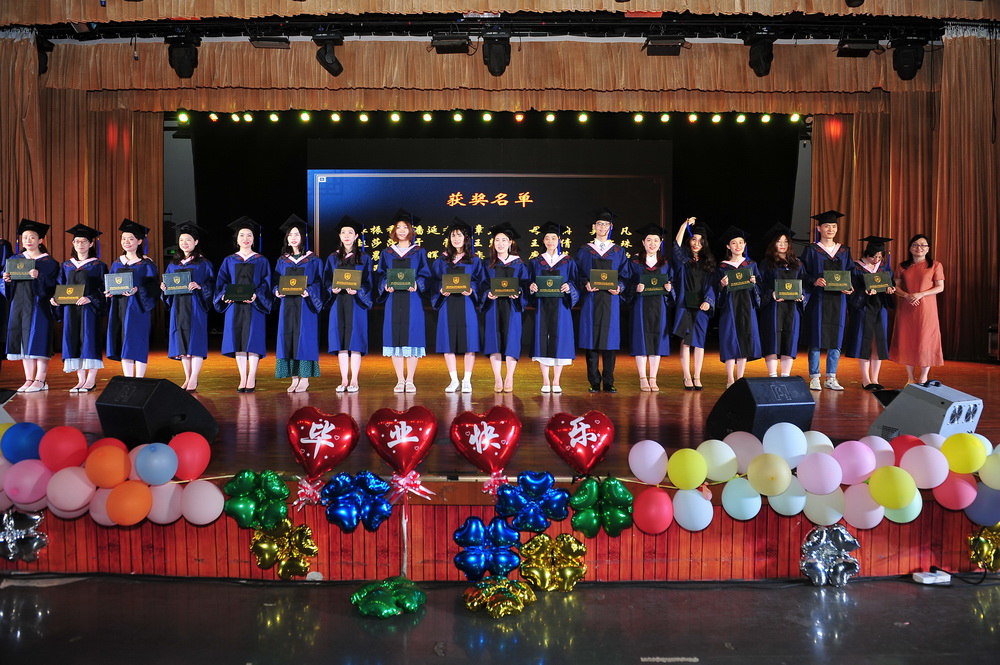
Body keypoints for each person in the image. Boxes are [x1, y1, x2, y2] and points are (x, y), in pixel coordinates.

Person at [214, 216, 273, 393]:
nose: (245, 238)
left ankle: (252, 376)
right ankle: (242, 377)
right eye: (242, 235)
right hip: (234, 307)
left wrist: (256, 296)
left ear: (254, 239)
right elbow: (222, 282)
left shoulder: (261, 260)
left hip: (254, 306)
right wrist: (225, 296)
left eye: (249, 235)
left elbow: (266, 283)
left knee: (253, 341)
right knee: (238, 341)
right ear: (236, 239)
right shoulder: (229, 260)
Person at [375, 209, 431, 393]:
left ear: (411, 230)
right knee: (395, 338)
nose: (401, 230)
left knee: (412, 337)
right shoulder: (387, 252)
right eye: (398, 227)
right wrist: (385, 284)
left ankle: (410, 380)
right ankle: (400, 380)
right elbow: (381, 274)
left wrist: (417, 283)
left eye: (405, 227)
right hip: (393, 300)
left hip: (412, 300)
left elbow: (425, 274)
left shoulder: (419, 252)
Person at [576, 208, 629, 392]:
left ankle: (608, 381)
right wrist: (585, 283)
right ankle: (593, 381)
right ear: (594, 227)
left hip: (610, 300)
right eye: (599, 224)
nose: (602, 227)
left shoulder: (618, 251)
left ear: (610, 227)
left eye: (605, 224)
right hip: (591, 299)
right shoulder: (585, 251)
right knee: (591, 340)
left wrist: (619, 287)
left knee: (610, 341)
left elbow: (625, 275)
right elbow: (578, 273)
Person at [3, 219, 59, 392]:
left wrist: (39, 276)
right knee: (23, 341)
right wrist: (7, 280)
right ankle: (28, 379)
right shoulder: (15, 259)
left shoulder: (49, 262)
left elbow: (54, 286)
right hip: (19, 305)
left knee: (39, 339)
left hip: (39, 306)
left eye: (32, 237)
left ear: (40, 240)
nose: (28, 240)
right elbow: (6, 286)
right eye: (25, 237)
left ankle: (40, 380)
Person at [801, 210, 854, 391]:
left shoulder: (844, 251)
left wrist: (850, 287)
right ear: (819, 228)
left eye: (833, 226)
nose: (830, 229)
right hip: (819, 298)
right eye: (826, 226)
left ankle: (831, 377)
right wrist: (814, 280)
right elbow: (803, 273)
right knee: (816, 336)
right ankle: (815, 376)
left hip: (839, 299)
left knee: (836, 337)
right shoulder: (812, 250)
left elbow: (851, 273)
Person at [431, 217, 486, 393]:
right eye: (453, 236)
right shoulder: (441, 260)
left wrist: (472, 290)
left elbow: (481, 281)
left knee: (469, 341)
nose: (456, 239)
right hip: (447, 304)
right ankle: (454, 380)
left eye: (459, 235)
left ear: (466, 238)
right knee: (448, 342)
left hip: (466, 303)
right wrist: (440, 290)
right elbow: (434, 281)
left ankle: (467, 380)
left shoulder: (474, 260)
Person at [161, 220, 215, 392]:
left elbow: (212, 284)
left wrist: (200, 287)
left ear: (196, 242)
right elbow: (168, 287)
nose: (184, 243)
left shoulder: (204, 263)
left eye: (188, 240)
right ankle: (187, 377)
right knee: (182, 343)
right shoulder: (173, 265)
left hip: (195, 306)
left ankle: (194, 378)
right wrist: (164, 288)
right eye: (182, 240)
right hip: (178, 307)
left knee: (195, 341)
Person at [52, 224, 107, 392]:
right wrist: (56, 299)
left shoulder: (98, 265)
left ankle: (91, 381)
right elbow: (60, 286)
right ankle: (80, 380)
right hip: (71, 310)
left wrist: (90, 298)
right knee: (73, 340)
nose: (80, 244)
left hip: (89, 310)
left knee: (89, 340)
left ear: (91, 244)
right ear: (73, 244)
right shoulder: (67, 266)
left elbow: (105, 288)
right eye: (77, 241)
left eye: (84, 241)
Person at [273, 215, 325, 393]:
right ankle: (294, 378)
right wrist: (276, 291)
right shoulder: (282, 260)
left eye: (297, 234)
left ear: (303, 237)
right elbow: (275, 281)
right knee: (288, 338)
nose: (293, 238)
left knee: (304, 339)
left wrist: (309, 291)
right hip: (287, 305)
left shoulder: (313, 260)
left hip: (305, 306)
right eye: (290, 234)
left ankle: (305, 378)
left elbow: (320, 282)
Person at [529, 221, 580, 393]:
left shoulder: (567, 261)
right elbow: (529, 281)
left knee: (560, 341)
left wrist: (569, 287)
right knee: (542, 340)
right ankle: (545, 380)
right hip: (542, 306)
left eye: (553, 238)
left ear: (559, 240)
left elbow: (575, 282)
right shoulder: (536, 261)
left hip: (561, 306)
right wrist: (531, 287)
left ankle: (556, 381)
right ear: (543, 241)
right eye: (547, 238)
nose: (550, 241)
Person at [325, 215, 372, 393]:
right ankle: (344, 379)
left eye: (350, 232)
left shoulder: (364, 258)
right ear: (339, 236)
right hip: (338, 303)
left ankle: (354, 379)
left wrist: (358, 291)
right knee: (341, 341)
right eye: (343, 232)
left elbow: (369, 282)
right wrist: (332, 289)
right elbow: (326, 280)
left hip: (356, 304)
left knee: (355, 341)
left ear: (356, 236)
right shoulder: (332, 258)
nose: (346, 235)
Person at [106, 218, 158, 378]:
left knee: (137, 340)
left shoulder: (146, 264)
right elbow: (111, 283)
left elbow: (153, 287)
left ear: (139, 241)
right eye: (123, 239)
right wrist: (109, 292)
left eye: (131, 239)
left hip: (138, 308)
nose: (126, 242)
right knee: (123, 340)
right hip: (119, 307)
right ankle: (128, 378)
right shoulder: (117, 263)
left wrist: (138, 290)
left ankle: (140, 378)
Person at [890, 234, 944, 384]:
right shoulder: (902, 266)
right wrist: (906, 295)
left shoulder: (935, 265)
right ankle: (910, 377)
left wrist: (921, 294)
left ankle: (923, 376)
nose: (919, 248)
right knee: (908, 340)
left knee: (926, 340)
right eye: (915, 245)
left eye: (923, 245)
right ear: (910, 248)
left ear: (928, 248)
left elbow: (940, 287)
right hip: (907, 308)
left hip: (927, 309)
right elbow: (895, 286)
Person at [843, 236, 896, 390]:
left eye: (879, 257)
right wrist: (864, 291)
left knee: (878, 342)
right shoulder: (856, 267)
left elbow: (891, 283)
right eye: (874, 256)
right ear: (867, 253)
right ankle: (866, 379)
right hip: (863, 307)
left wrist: (890, 289)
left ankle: (875, 379)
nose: (876, 260)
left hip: (880, 307)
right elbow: (851, 288)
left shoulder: (884, 267)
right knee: (864, 342)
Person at [482, 222, 529, 393]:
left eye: (504, 240)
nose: (500, 243)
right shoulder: (487, 263)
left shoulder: (518, 263)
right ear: (493, 243)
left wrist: (519, 292)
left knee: (511, 340)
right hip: (493, 306)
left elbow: (525, 284)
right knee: (494, 341)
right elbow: (482, 284)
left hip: (512, 307)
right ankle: (497, 378)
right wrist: (487, 294)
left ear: (510, 243)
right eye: (497, 240)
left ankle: (509, 377)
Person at [626, 223, 674, 392]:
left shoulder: (665, 263)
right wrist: (635, 288)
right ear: (643, 242)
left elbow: (672, 282)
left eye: (655, 240)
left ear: (660, 243)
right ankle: (643, 378)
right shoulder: (634, 262)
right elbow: (626, 282)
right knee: (641, 340)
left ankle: (653, 378)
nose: (652, 243)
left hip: (659, 307)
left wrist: (670, 288)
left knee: (656, 341)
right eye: (649, 240)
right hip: (640, 306)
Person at [670, 217, 716, 390]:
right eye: (694, 239)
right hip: (685, 305)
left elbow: (711, 285)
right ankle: (687, 376)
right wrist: (684, 226)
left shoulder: (708, 262)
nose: (696, 244)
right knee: (686, 341)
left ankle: (697, 376)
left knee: (699, 341)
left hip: (702, 306)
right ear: (689, 240)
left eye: (700, 241)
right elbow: (676, 246)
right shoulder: (683, 260)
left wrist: (708, 301)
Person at [715, 226, 762, 387]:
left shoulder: (751, 264)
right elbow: (716, 290)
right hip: (729, 307)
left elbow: (760, 288)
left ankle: (740, 377)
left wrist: (755, 283)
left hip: (747, 306)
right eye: (734, 243)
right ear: (728, 246)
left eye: (741, 242)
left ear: (745, 245)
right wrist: (721, 285)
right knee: (729, 339)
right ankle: (730, 379)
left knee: (745, 338)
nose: (738, 246)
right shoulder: (722, 267)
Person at [758, 223, 806, 378]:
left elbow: (805, 284)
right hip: (772, 308)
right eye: (779, 242)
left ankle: (786, 376)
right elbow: (759, 285)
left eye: (786, 242)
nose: (783, 245)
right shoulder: (766, 264)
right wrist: (771, 293)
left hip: (792, 308)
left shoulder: (797, 264)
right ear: (773, 244)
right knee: (772, 339)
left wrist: (802, 295)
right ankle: (772, 375)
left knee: (789, 339)